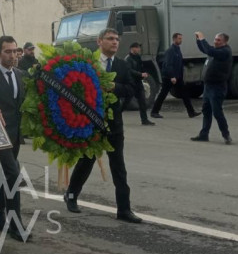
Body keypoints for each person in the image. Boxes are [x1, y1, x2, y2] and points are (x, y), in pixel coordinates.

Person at [64, 29, 143, 224]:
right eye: (110, 39)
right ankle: (71, 195)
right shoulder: (88, 63)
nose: (115, 42)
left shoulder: (122, 65)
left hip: (114, 125)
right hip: (90, 123)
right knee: (86, 162)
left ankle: (124, 209)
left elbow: (131, 89)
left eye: (117, 39)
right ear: (99, 42)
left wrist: (115, 87)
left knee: (118, 166)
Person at [0, 36, 28, 241]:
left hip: (15, 133)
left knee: (3, 174)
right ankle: (15, 225)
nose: (13, 55)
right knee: (13, 175)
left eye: (15, 51)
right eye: (8, 51)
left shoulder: (20, 74)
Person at [191, 32, 233, 144]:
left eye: (218, 40)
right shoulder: (216, 50)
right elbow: (205, 50)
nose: (215, 42)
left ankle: (226, 135)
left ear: (225, 42)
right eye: (215, 39)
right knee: (206, 111)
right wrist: (198, 40)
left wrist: (202, 39)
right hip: (208, 86)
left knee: (217, 112)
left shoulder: (225, 51)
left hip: (217, 87)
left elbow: (209, 50)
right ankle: (204, 135)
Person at [151, 33, 201, 119]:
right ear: (174, 39)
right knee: (163, 94)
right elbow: (168, 65)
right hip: (169, 77)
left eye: (181, 38)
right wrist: (172, 76)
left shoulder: (177, 49)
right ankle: (154, 112)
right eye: (179, 39)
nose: (181, 40)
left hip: (178, 77)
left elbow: (179, 64)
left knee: (185, 94)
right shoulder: (170, 51)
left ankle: (191, 112)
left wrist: (180, 76)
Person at [123, 43, 155, 126]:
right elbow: (129, 71)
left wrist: (144, 73)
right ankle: (116, 116)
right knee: (126, 102)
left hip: (138, 83)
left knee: (142, 102)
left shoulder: (138, 57)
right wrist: (140, 74)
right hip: (131, 83)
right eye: (137, 48)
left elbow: (141, 67)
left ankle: (144, 120)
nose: (139, 49)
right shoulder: (128, 59)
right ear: (132, 48)